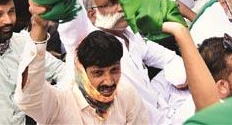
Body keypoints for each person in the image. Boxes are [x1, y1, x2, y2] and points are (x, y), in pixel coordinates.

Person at [59, 0, 187, 123]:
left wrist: (180, 77)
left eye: (124, 0)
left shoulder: (130, 34)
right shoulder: (87, 45)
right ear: (93, 15)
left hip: (162, 105)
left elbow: (167, 57)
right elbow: (70, 25)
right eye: (112, 3)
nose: (122, 8)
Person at [16, 19, 148, 123]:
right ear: (82, 71)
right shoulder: (59, 103)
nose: (109, 81)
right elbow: (29, 95)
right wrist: (39, 27)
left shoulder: (127, 94)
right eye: (98, 73)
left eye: (114, 70)